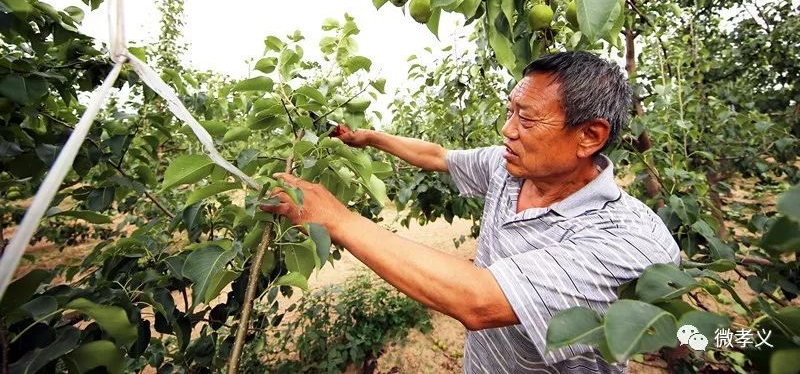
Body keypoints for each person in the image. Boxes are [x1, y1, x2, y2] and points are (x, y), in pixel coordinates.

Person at [262, 51, 681, 373]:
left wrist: (337, 218)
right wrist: (370, 138)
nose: (508, 130)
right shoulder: (509, 168)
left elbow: (479, 301)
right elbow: (438, 156)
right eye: (510, 111)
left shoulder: (628, 240)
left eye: (527, 119)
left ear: (589, 135)